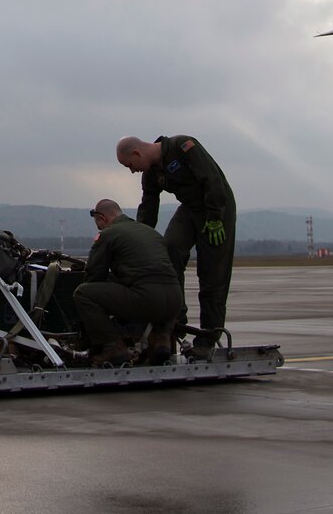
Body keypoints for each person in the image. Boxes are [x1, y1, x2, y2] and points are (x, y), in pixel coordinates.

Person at [117, 134, 236, 353]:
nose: (133, 170)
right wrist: (138, 239)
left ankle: (208, 339)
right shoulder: (151, 174)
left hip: (217, 208)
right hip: (190, 209)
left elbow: (212, 179)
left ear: (137, 153)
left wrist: (215, 217)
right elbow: (148, 209)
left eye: (130, 165)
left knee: (212, 277)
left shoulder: (183, 146)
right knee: (169, 249)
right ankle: (174, 319)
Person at [72, 199, 183, 367]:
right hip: (175, 301)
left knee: (83, 293)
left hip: (148, 299)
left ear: (101, 217)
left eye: (98, 223)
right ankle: (161, 340)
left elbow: (95, 275)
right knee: (155, 295)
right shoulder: (151, 233)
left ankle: (113, 346)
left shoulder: (108, 234)